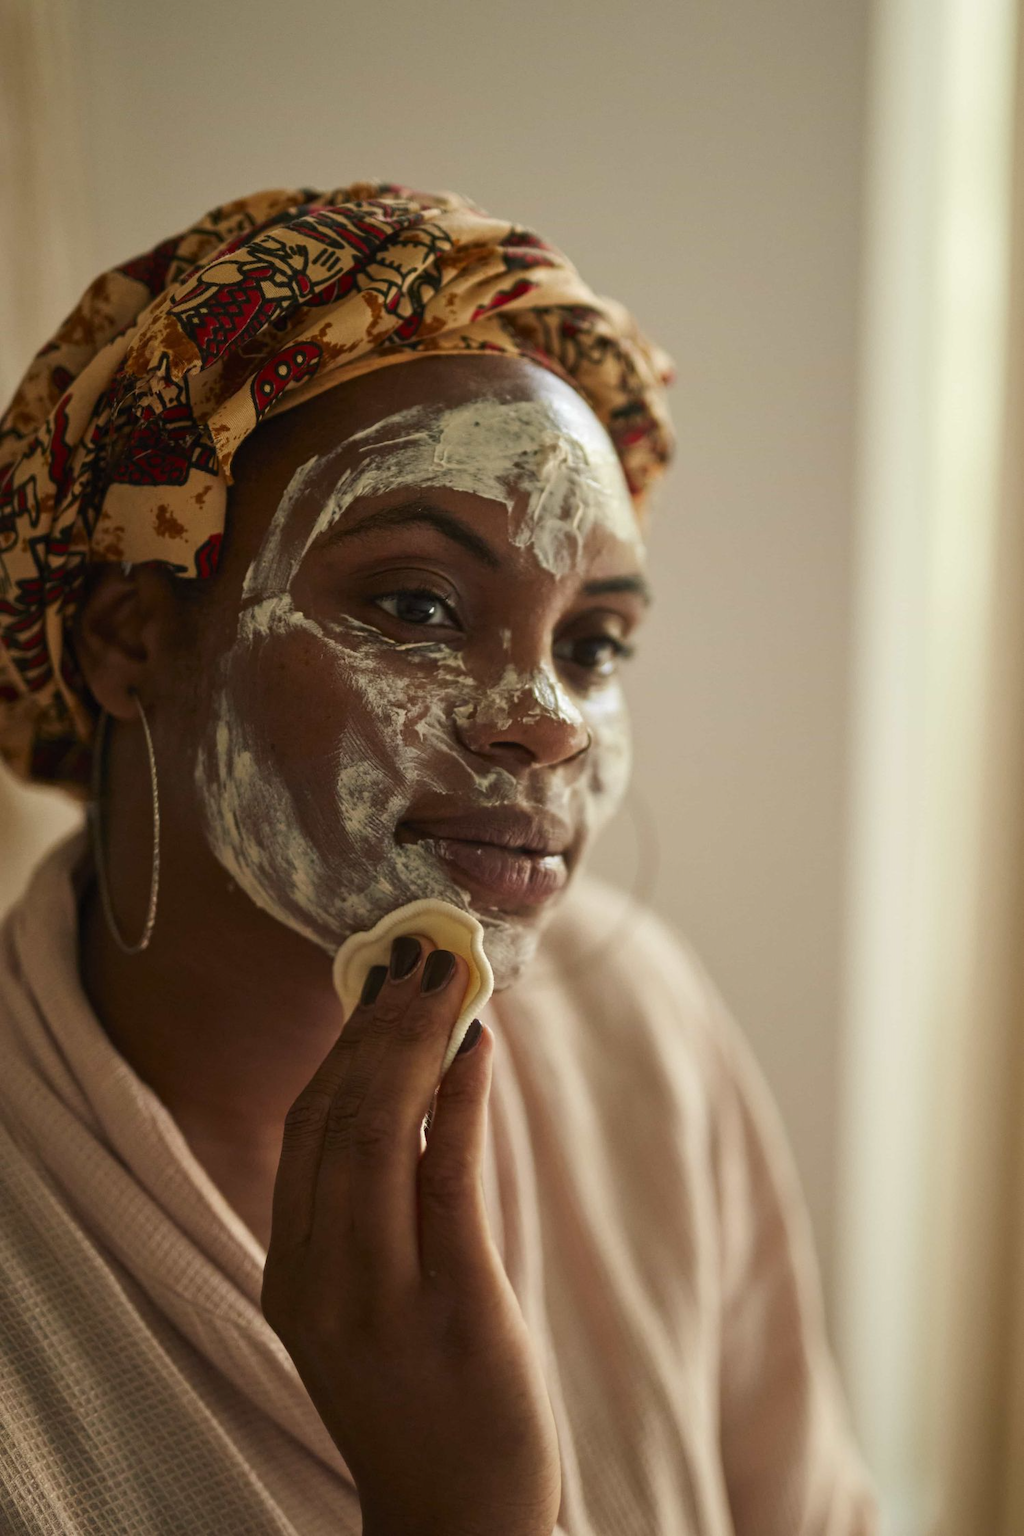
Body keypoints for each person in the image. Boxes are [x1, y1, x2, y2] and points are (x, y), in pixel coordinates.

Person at [0, 183, 880, 1535]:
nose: (547, 722)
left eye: (592, 645)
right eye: (418, 603)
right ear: (130, 638)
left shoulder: (633, 1019)